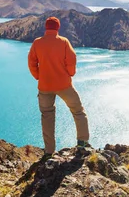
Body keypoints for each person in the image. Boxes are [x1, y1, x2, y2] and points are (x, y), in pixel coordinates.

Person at [28, 16, 90, 158]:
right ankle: (82, 142)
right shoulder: (63, 42)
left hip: (44, 86)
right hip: (64, 85)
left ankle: (49, 151)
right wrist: (70, 73)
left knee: (47, 116)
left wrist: (38, 76)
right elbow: (72, 59)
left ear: (46, 27)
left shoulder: (37, 43)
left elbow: (31, 63)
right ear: (58, 28)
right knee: (78, 111)